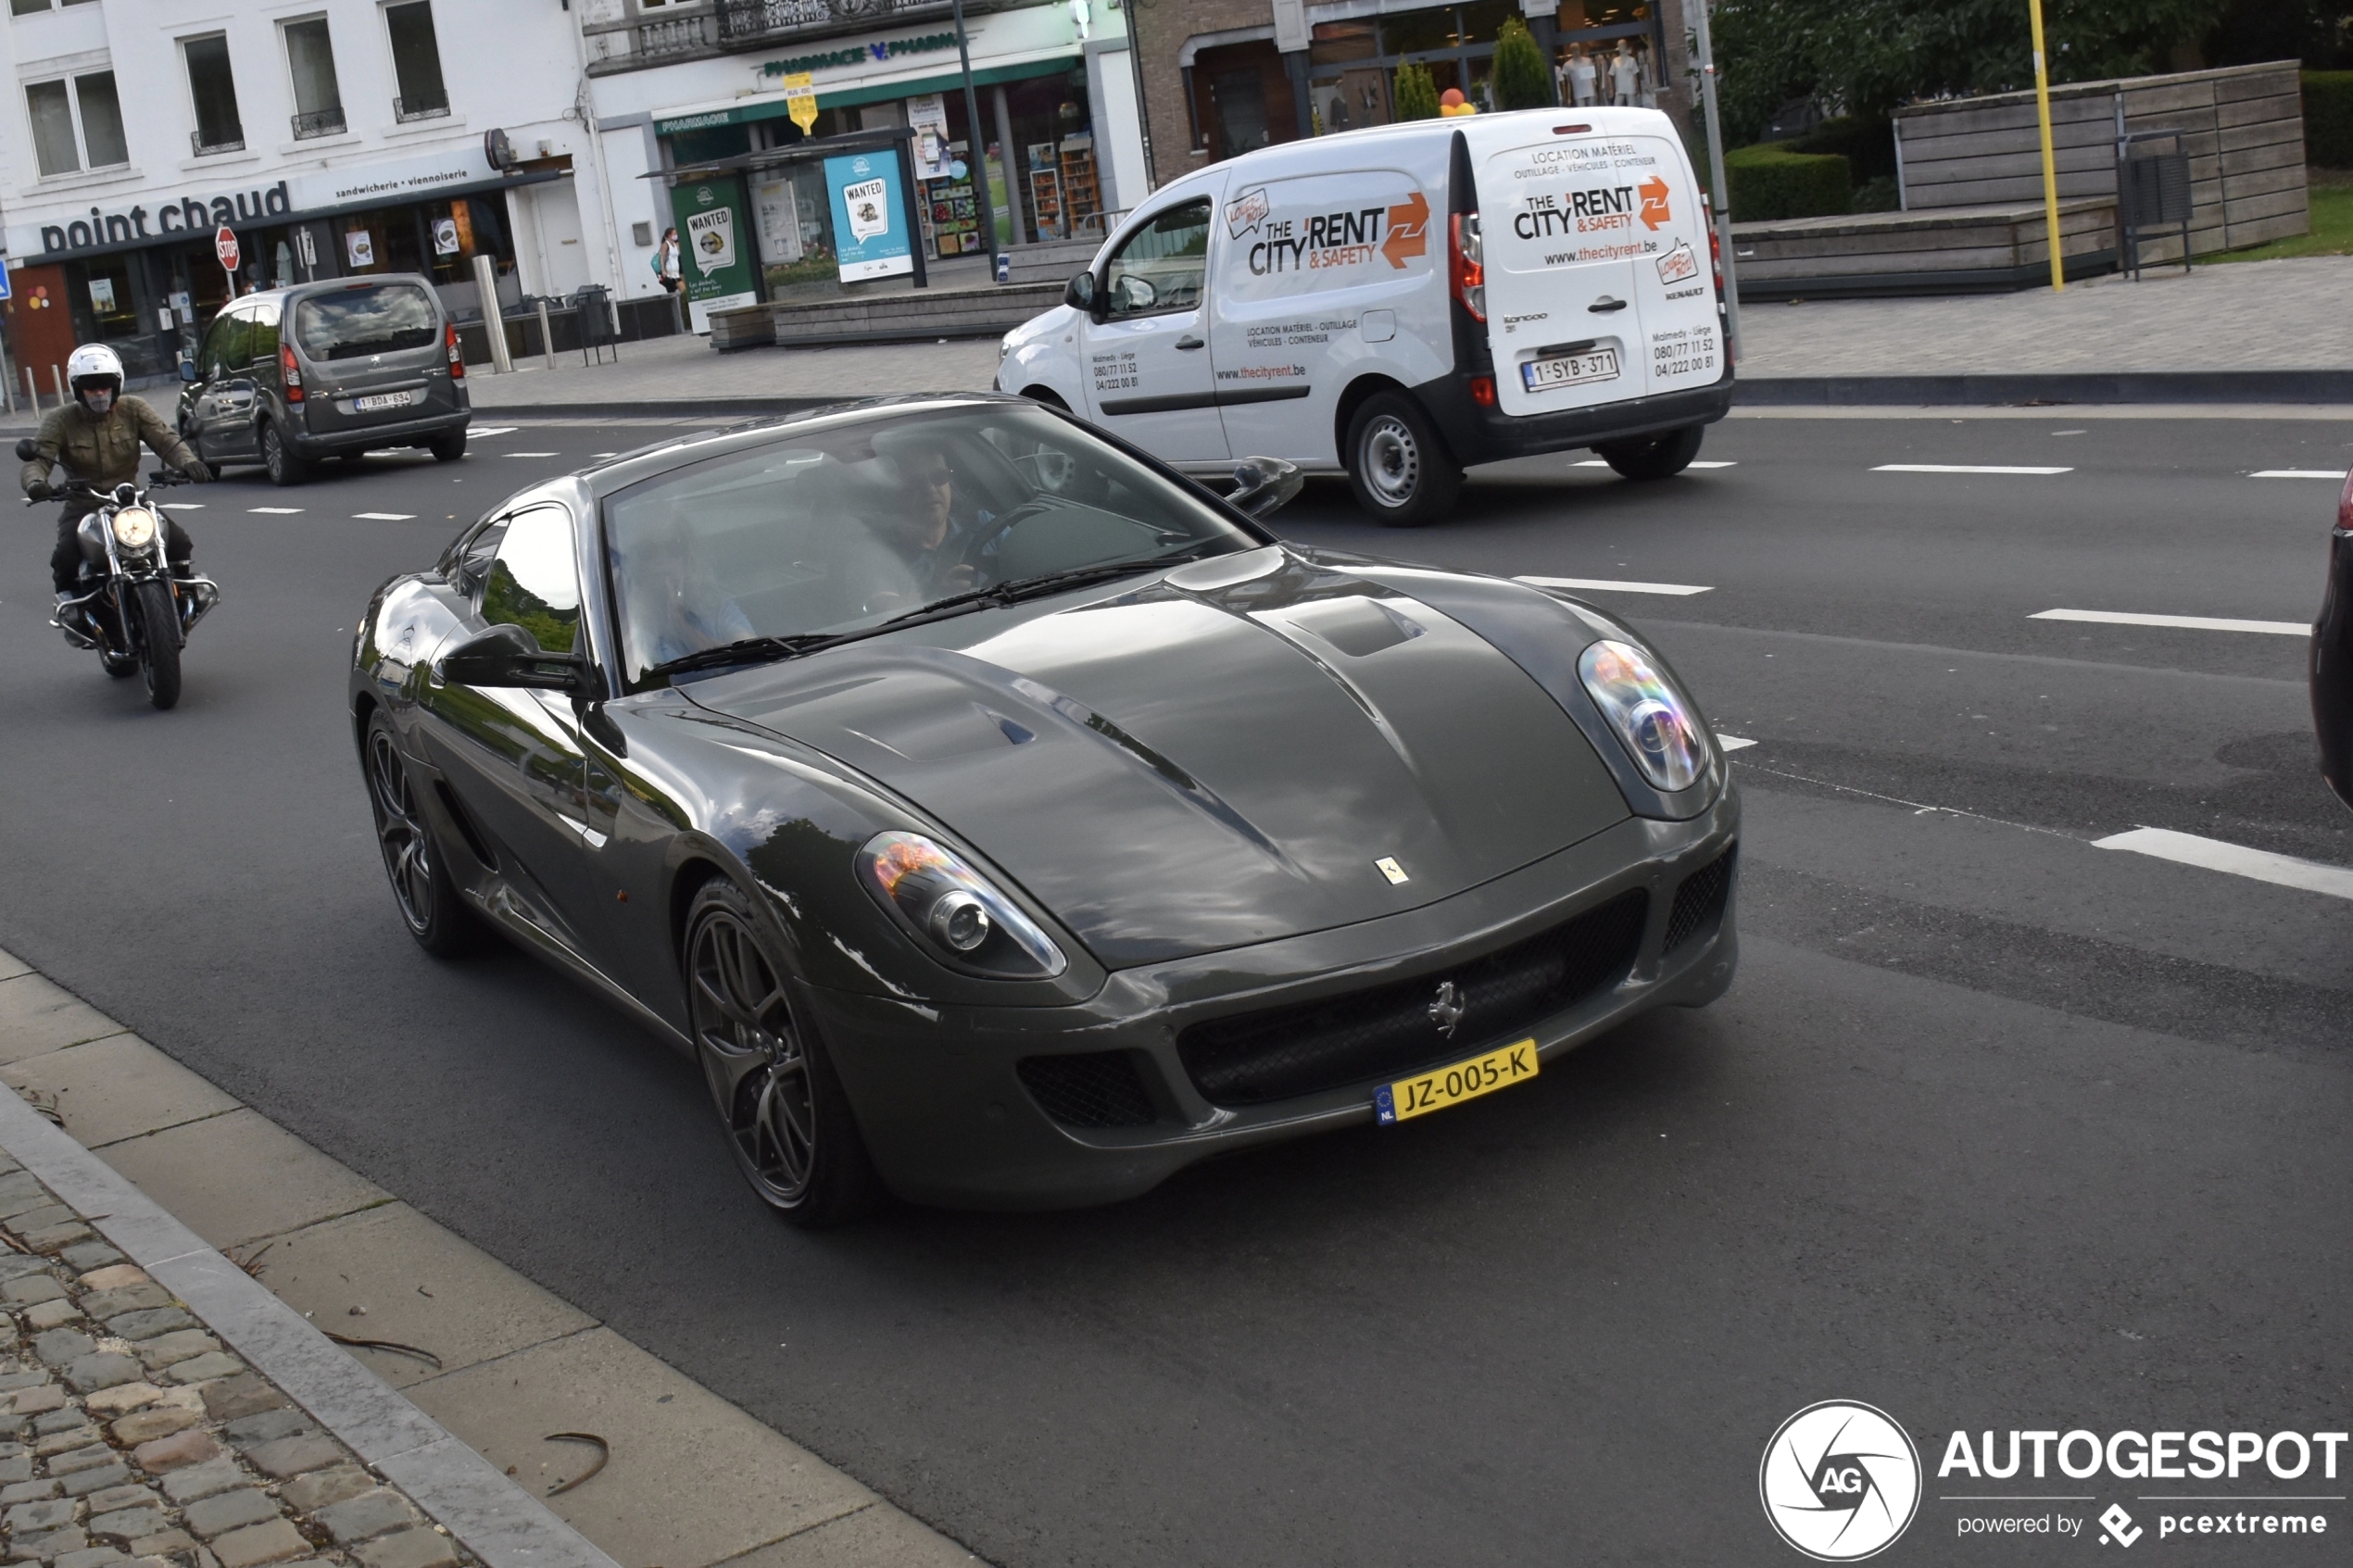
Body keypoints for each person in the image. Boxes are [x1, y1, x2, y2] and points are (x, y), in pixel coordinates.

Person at [21, 344, 212, 632]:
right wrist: (36, 484)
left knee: (179, 541)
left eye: (105, 385)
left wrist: (189, 463)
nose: (99, 393)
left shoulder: (133, 408)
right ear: (77, 389)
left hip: (130, 501)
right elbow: (38, 458)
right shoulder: (60, 420)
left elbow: (165, 439)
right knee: (65, 556)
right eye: (90, 387)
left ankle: (183, 598)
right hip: (84, 504)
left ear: (117, 384)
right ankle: (75, 613)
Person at [653, 227, 682, 294]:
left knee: (672, 291)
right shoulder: (666, 244)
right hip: (670, 272)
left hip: (676, 271)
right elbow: (662, 257)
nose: (676, 235)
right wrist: (663, 270)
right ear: (669, 235)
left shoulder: (675, 245)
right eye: (674, 234)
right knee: (683, 290)